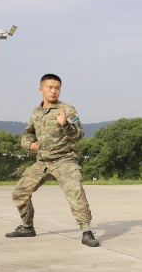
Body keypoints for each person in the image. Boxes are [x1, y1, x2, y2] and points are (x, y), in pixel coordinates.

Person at [5, 73, 99, 247]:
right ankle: (27, 227)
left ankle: (87, 232)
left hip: (65, 160)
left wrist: (65, 124)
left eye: (57, 88)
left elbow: (78, 135)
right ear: (41, 90)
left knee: (76, 192)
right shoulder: (36, 113)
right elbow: (27, 134)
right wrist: (30, 145)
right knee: (19, 193)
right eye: (50, 87)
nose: (54, 91)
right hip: (42, 162)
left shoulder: (67, 110)